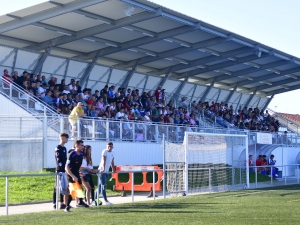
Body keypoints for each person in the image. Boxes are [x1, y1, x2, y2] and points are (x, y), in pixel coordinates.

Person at [65, 139, 89, 211]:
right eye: (81, 145)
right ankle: (67, 206)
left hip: (76, 173)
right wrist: (73, 176)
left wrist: (79, 172)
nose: (83, 147)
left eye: (83, 146)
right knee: (74, 190)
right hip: (70, 174)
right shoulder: (72, 154)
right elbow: (66, 167)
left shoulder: (81, 154)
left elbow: (77, 165)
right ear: (76, 146)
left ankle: (81, 202)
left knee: (80, 188)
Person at [53, 133, 70, 210]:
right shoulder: (58, 148)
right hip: (59, 170)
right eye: (66, 138)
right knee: (57, 187)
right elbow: (58, 159)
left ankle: (62, 203)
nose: (67, 139)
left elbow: (65, 159)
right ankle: (55, 203)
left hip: (64, 170)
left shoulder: (64, 148)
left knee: (64, 187)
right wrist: (61, 167)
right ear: (62, 138)